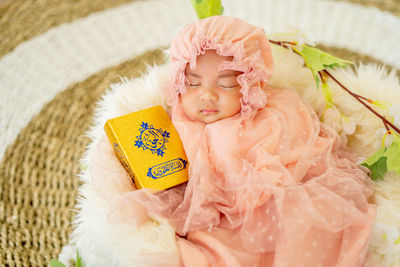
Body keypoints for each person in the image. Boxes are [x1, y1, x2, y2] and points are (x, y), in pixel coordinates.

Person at [90, 16, 376, 266]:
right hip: (209, 215)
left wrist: (259, 186)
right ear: (178, 81)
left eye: (227, 83)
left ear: (251, 83)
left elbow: (302, 152)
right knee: (208, 246)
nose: (208, 94)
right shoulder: (174, 120)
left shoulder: (273, 112)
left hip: (268, 203)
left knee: (298, 232)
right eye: (193, 82)